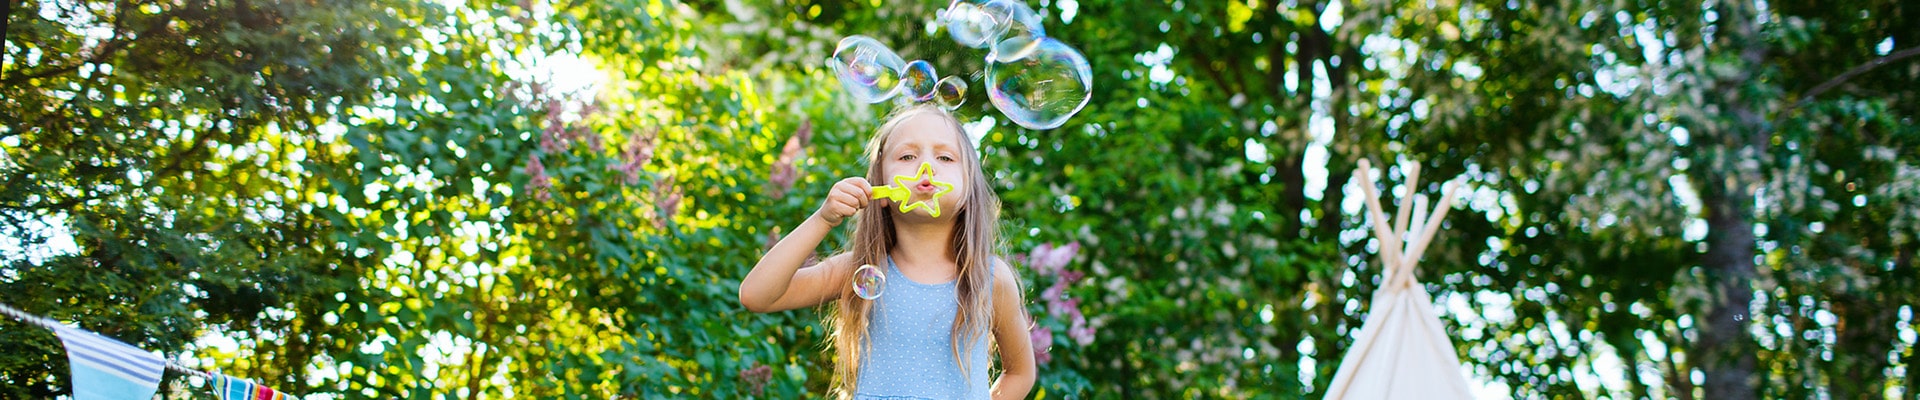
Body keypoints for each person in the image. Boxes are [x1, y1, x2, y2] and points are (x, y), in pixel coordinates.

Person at [738, 103, 1036, 399]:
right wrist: (823, 219)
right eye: (907, 156)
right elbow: (757, 295)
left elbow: (1020, 373)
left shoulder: (989, 277)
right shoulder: (859, 269)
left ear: (969, 189)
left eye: (945, 157)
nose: (926, 168)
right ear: (879, 188)